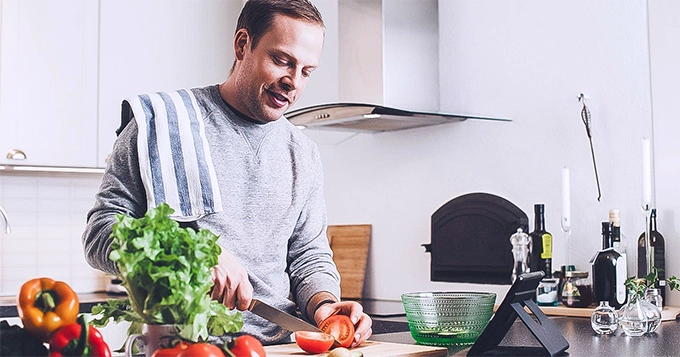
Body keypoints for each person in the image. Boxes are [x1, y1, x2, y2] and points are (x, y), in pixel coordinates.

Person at [82, 0, 372, 346]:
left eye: (306, 71)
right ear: (242, 45)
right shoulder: (160, 123)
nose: (292, 82)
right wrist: (191, 252)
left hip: (278, 349)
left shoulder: (303, 153)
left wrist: (325, 305)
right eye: (281, 60)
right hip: (180, 348)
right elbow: (99, 237)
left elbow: (308, 253)